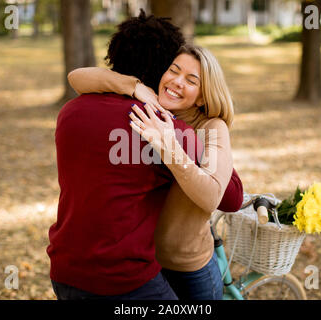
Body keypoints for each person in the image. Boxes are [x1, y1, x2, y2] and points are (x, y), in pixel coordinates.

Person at [68, 44, 244, 300]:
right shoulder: (151, 102)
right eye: (173, 71)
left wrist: (168, 145)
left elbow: (212, 196)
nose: (177, 81)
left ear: (203, 97)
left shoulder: (211, 127)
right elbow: (77, 77)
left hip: (189, 269)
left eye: (191, 80)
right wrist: (134, 86)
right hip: (147, 264)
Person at [46, 11, 202, 300]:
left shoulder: (70, 111)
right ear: (163, 70)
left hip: (64, 272)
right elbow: (230, 196)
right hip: (124, 281)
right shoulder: (162, 126)